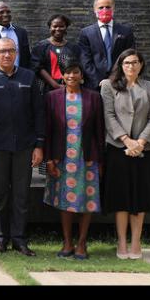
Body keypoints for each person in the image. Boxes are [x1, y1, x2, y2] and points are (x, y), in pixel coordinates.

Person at [0, 36, 45, 257]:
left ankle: (19, 239)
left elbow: (38, 112)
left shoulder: (29, 77)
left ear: (16, 53)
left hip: (25, 146)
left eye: (11, 51)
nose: (7, 54)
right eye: (2, 51)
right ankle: (1, 238)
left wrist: (39, 145)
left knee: (22, 195)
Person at [100, 48, 150, 260]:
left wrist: (140, 142)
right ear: (121, 65)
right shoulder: (108, 86)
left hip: (144, 150)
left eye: (134, 62)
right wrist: (126, 140)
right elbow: (108, 116)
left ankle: (136, 242)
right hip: (117, 149)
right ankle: (122, 242)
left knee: (141, 199)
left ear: (141, 65)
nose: (130, 66)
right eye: (126, 63)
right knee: (121, 197)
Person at [43, 58, 105, 259]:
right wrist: (49, 159)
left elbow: (99, 130)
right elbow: (48, 131)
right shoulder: (52, 97)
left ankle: (82, 243)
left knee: (87, 200)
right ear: (61, 75)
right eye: (67, 72)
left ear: (81, 75)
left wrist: (101, 161)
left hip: (87, 157)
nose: (71, 76)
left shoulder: (94, 97)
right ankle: (67, 242)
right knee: (65, 199)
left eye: (75, 72)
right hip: (62, 158)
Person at [78, 0, 136, 91]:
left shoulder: (126, 31)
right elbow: (85, 60)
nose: (104, 10)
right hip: (94, 85)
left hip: (120, 82)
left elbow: (130, 56)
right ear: (95, 10)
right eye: (101, 7)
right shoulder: (86, 33)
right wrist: (99, 81)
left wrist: (116, 79)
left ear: (113, 9)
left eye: (108, 7)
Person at [31, 13, 77, 92]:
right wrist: (55, 85)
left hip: (69, 88)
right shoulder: (41, 47)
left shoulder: (73, 48)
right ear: (50, 27)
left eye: (61, 26)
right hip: (46, 90)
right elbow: (37, 67)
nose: (58, 29)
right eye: (55, 26)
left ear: (66, 27)